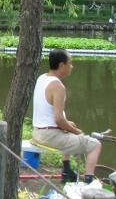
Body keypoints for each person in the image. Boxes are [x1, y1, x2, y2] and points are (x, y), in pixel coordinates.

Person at [32, 49, 102, 184]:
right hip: (49, 136)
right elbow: (58, 119)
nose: (72, 66)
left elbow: (50, 113)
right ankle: (88, 182)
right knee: (95, 145)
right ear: (62, 65)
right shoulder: (58, 86)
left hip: (38, 132)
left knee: (69, 126)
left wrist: (70, 126)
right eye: (70, 63)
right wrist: (77, 132)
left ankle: (66, 169)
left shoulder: (42, 78)